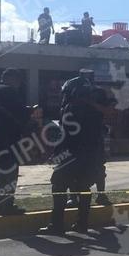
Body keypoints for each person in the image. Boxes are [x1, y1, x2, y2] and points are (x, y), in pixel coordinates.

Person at [41, 83, 104, 235]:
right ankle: (82, 224)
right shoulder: (96, 112)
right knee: (84, 188)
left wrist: (57, 154)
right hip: (90, 157)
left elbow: (65, 135)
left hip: (71, 155)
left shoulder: (70, 108)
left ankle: (57, 224)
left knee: (58, 186)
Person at [0, 69, 32, 215]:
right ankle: (6, 205)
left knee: (0, 172)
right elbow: (20, 112)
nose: (19, 84)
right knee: (10, 173)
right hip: (10, 138)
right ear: (11, 79)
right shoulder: (8, 91)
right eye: (18, 80)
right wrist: (31, 112)